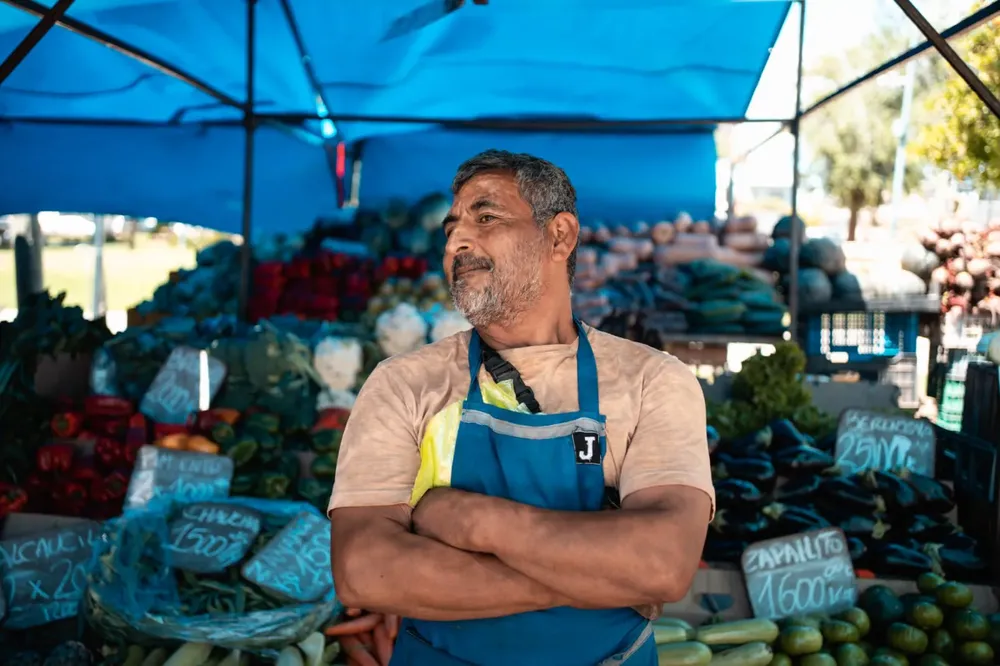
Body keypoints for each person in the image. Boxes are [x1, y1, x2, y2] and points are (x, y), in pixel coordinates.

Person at [328, 150, 714, 666]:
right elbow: (363, 569)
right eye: (451, 228)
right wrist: (596, 579)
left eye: (485, 218)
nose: (458, 241)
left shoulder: (652, 381)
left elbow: (662, 563)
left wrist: (468, 521)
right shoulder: (403, 384)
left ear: (560, 236)